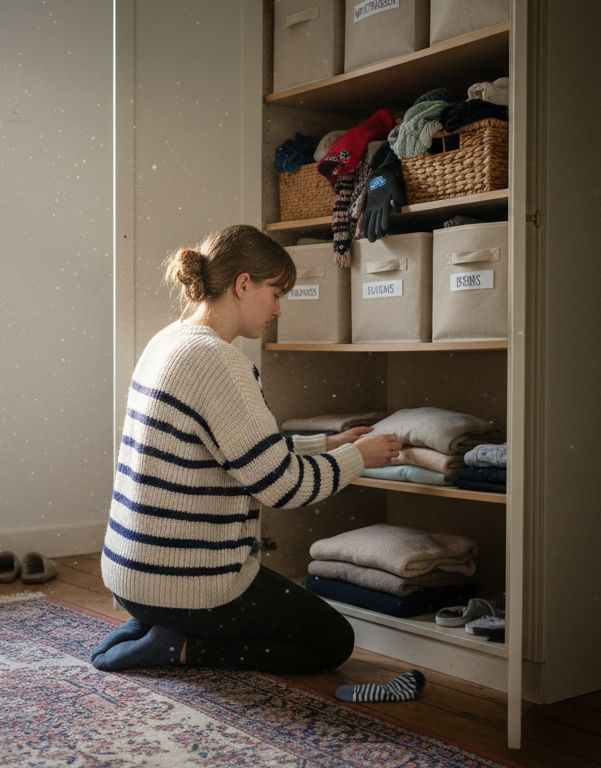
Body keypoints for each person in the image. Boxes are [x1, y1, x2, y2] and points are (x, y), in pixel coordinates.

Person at [93, 224, 401, 675]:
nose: (278, 309)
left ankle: (155, 625)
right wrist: (358, 458)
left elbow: (238, 451)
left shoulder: (169, 341)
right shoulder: (220, 361)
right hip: (183, 582)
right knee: (332, 641)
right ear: (243, 284)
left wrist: (328, 443)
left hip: (131, 573)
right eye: (275, 293)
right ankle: (178, 646)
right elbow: (282, 487)